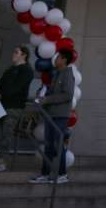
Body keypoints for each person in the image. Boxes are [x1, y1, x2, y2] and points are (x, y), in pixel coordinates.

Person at [0, 45, 35, 172]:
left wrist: (0, 94)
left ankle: (2, 162)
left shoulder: (26, 70)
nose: (13, 54)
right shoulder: (9, 70)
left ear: (24, 55)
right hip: (1, 105)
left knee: (6, 133)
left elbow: (17, 87)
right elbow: (1, 85)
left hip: (14, 106)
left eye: (16, 52)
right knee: (2, 133)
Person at [30, 49, 75, 184]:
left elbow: (67, 95)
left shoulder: (67, 74)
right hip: (51, 115)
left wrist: (47, 100)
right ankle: (44, 174)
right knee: (49, 145)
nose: (55, 60)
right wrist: (42, 98)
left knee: (57, 145)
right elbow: (50, 93)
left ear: (64, 60)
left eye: (57, 58)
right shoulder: (56, 74)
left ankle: (62, 174)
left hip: (60, 116)